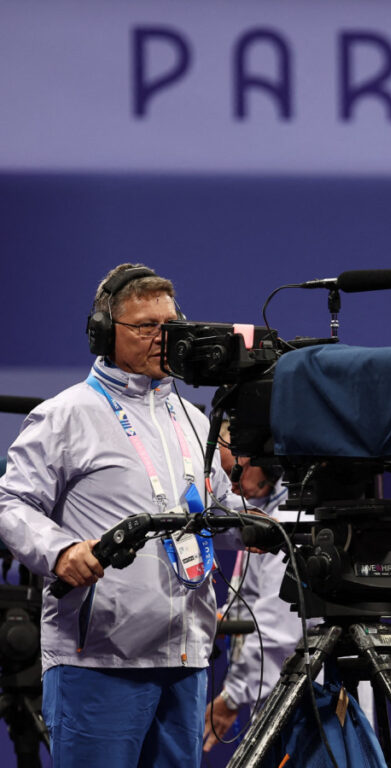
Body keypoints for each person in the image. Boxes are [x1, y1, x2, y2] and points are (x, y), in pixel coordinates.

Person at [0, 264, 243, 767]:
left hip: (185, 658)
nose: (162, 338)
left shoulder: (195, 420)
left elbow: (219, 508)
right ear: (104, 333)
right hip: (100, 661)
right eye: (145, 326)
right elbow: (10, 503)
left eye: (169, 326)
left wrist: (257, 518)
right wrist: (61, 550)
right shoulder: (67, 414)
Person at [204, 423, 297, 753]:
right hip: (278, 692)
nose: (232, 488)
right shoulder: (267, 508)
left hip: (302, 697)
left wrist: (232, 696)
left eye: (236, 472)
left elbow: (274, 624)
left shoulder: (292, 513)